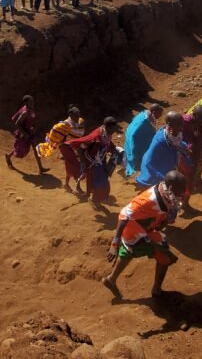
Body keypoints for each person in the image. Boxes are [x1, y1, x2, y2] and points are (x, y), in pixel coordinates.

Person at [101, 170, 187, 299]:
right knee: (165, 258)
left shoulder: (164, 192)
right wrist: (116, 241)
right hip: (136, 231)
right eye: (181, 190)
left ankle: (111, 279)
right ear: (170, 188)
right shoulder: (151, 199)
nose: (183, 193)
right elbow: (125, 213)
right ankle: (156, 291)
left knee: (130, 251)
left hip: (145, 228)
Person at [66, 116, 122, 205]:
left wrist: (114, 149)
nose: (114, 130)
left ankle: (98, 197)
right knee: (96, 181)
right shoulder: (95, 137)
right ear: (107, 127)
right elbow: (81, 148)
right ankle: (95, 199)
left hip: (100, 159)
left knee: (102, 179)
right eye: (113, 128)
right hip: (91, 162)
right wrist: (83, 163)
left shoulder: (106, 134)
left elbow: (108, 144)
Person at [135, 112, 191, 189]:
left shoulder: (175, 133)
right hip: (154, 165)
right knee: (158, 187)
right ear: (170, 125)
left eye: (182, 123)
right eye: (179, 124)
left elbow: (178, 143)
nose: (182, 126)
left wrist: (184, 147)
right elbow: (170, 152)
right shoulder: (162, 140)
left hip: (164, 163)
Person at [37, 106, 87, 193]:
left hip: (74, 146)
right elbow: (54, 131)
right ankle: (78, 187)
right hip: (65, 147)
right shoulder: (65, 125)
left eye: (78, 115)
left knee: (69, 164)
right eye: (75, 115)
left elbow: (80, 134)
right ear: (70, 115)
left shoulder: (80, 122)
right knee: (75, 165)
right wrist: (52, 142)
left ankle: (66, 184)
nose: (77, 117)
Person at [5, 95, 45, 173]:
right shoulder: (25, 112)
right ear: (26, 103)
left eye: (32, 100)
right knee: (20, 150)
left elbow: (32, 120)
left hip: (29, 132)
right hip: (23, 134)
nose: (32, 102)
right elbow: (17, 124)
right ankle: (8, 156)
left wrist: (33, 127)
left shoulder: (31, 109)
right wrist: (25, 134)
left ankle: (40, 168)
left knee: (35, 148)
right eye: (30, 101)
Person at [124, 104, 164, 178]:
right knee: (139, 158)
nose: (161, 116)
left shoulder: (144, 113)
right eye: (160, 113)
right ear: (154, 112)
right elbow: (135, 133)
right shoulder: (144, 121)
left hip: (133, 135)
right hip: (136, 141)